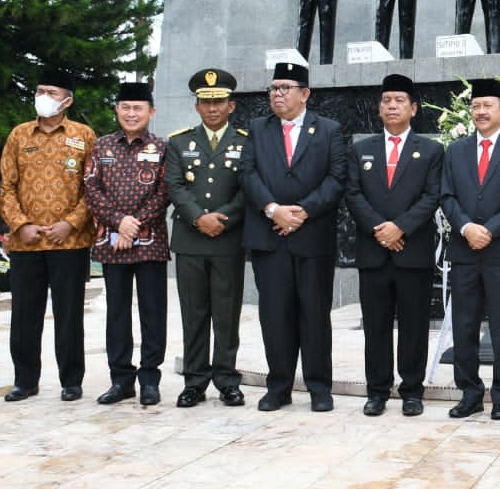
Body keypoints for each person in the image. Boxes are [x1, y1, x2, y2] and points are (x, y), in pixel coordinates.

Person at [240, 61, 348, 412]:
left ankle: (319, 388)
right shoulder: (258, 128)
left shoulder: (329, 129)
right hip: (269, 236)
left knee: (315, 315)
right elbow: (248, 173)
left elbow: (336, 178)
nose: (277, 94)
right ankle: (279, 386)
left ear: (305, 93)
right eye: (273, 88)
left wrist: (301, 211)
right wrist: (274, 210)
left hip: (312, 236)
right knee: (275, 315)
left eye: (285, 87)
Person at [345, 73, 444, 416]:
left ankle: (412, 390)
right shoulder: (361, 149)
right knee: (375, 326)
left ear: (413, 108)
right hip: (374, 253)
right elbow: (353, 194)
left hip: (412, 251)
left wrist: (400, 228)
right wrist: (380, 230)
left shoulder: (431, 150)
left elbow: (432, 196)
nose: (391, 106)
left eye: (399, 100)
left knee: (415, 325)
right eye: (386, 100)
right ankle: (377, 390)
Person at [0, 66, 96, 402]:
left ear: (67, 100)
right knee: (25, 315)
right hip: (26, 243)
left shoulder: (84, 135)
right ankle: (25, 380)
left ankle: (71, 380)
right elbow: (6, 186)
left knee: (69, 314)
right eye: (40, 91)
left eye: (52, 93)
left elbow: (93, 188)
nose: (43, 97)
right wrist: (20, 224)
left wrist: (70, 223)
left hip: (69, 240)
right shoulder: (19, 135)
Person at [439, 77, 500, 420]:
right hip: (464, 251)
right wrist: (466, 227)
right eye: (476, 106)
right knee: (464, 324)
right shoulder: (456, 150)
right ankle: (470, 392)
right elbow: (446, 195)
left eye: (487, 105)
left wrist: (488, 230)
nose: (480, 111)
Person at [164, 68, 249, 407]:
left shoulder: (245, 141)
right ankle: (194, 382)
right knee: (194, 313)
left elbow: (249, 188)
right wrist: (199, 217)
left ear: (231, 105)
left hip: (228, 240)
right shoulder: (179, 141)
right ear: (197, 106)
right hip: (191, 239)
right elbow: (175, 185)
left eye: (219, 102)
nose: (212, 108)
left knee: (227, 315)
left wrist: (222, 220)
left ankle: (227, 380)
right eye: (205, 102)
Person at [85, 82, 170, 407]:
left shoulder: (162, 147)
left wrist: (133, 226)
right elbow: (92, 189)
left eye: (138, 108)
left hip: (151, 243)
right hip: (111, 242)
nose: (131, 114)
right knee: (116, 313)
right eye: (125, 107)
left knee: (152, 312)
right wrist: (118, 222)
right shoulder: (101, 146)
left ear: (151, 112)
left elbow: (165, 193)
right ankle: (121, 380)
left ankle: (150, 378)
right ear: (117, 110)